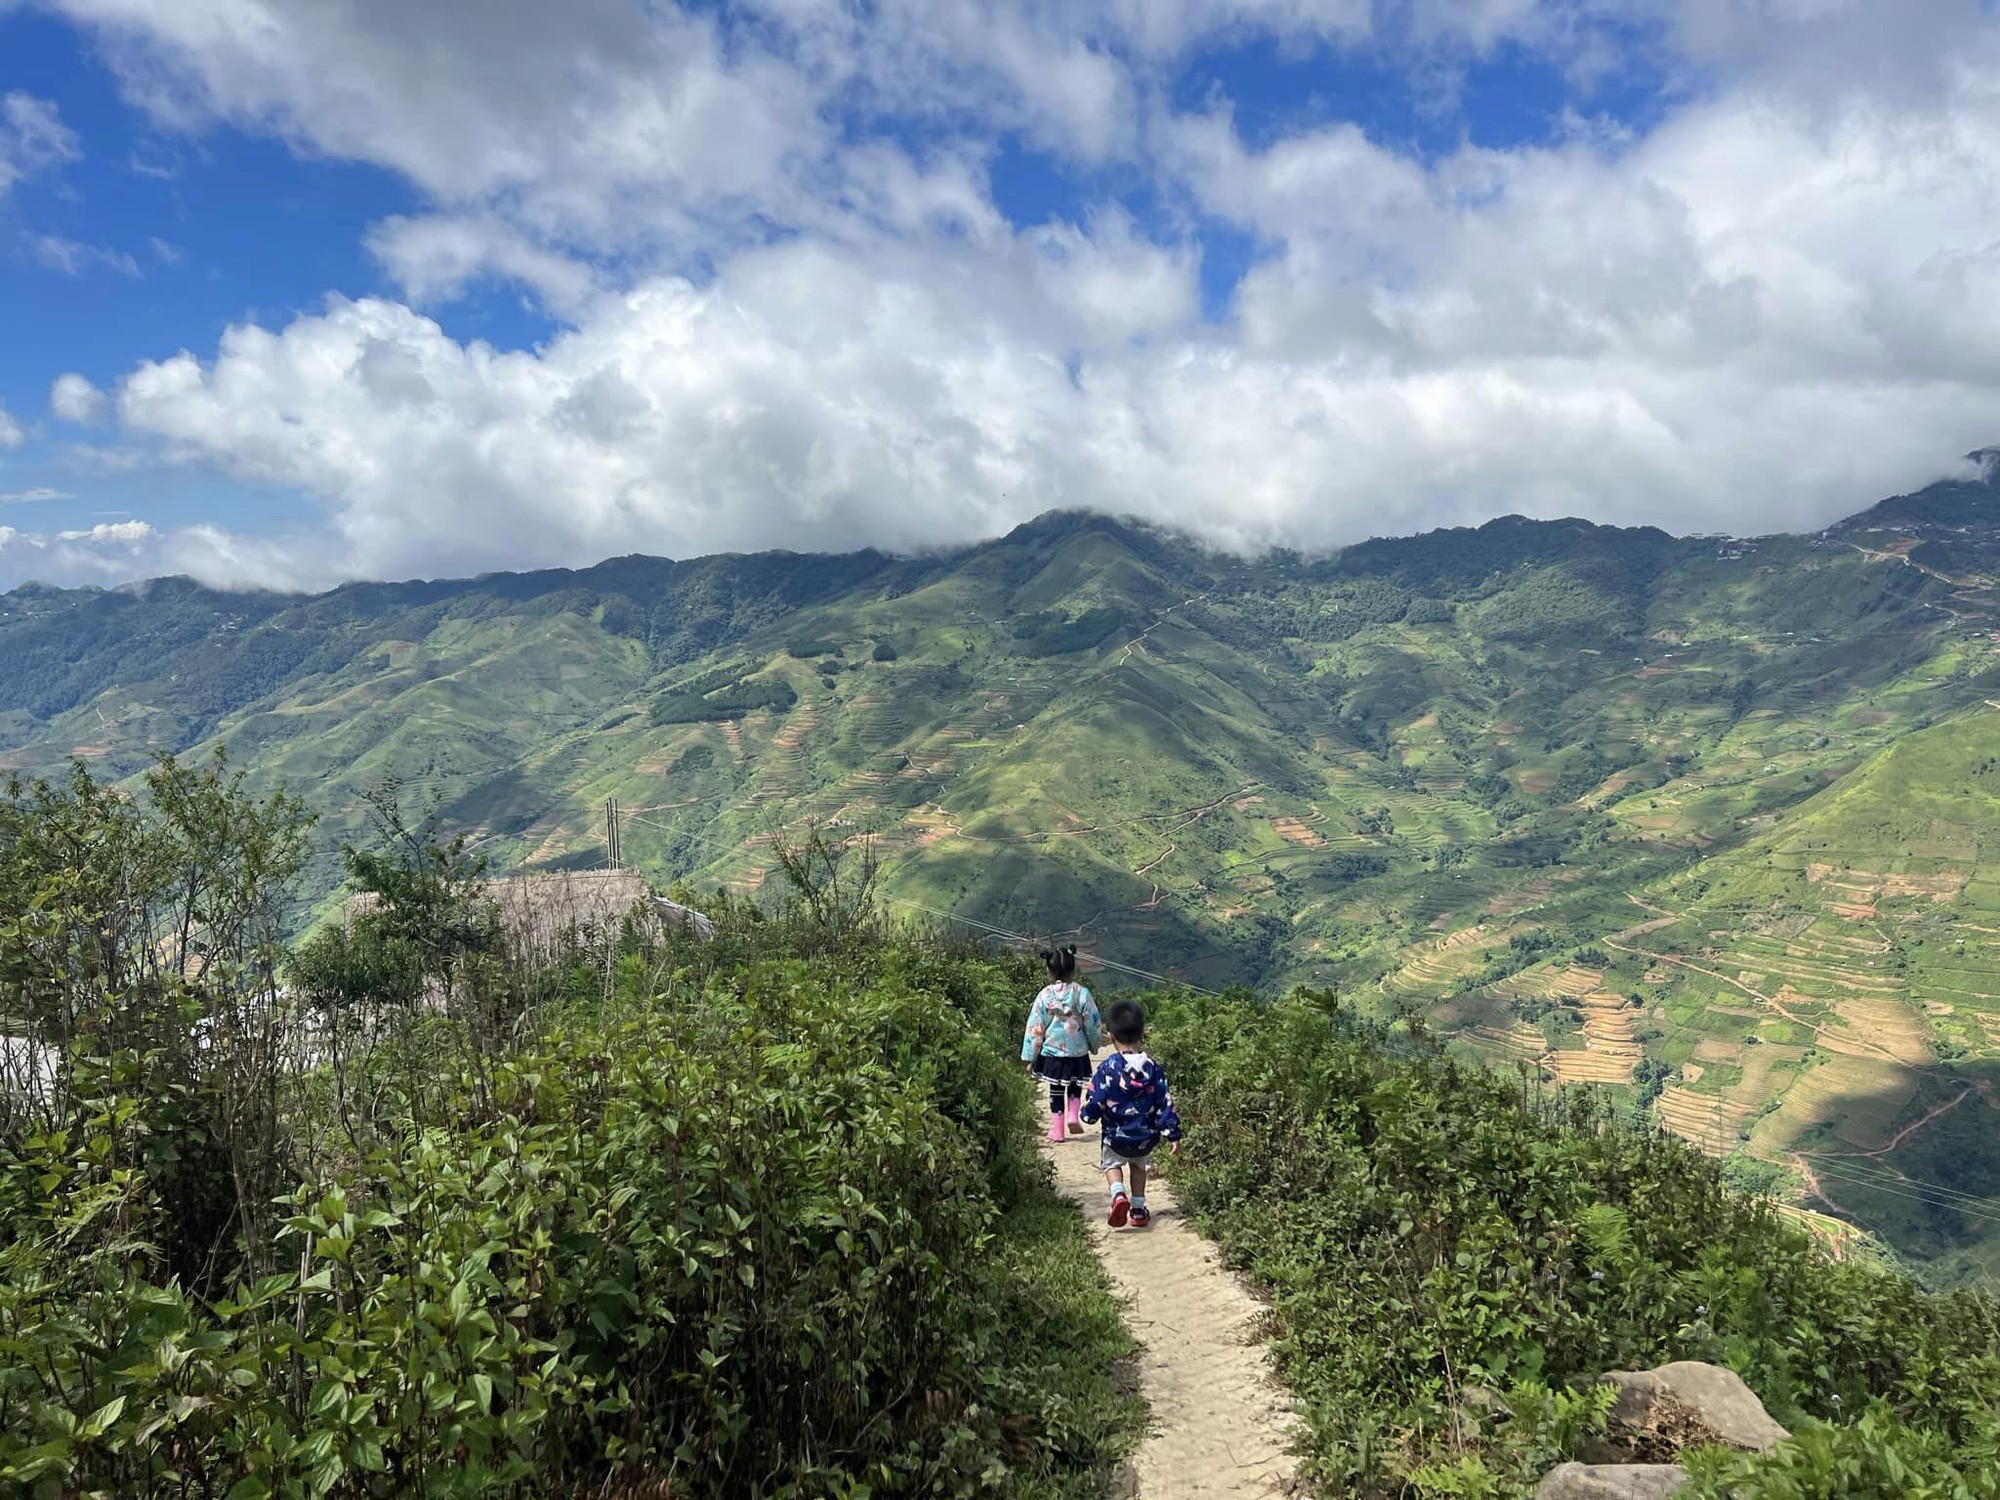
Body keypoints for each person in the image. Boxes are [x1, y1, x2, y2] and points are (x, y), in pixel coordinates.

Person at [1080, 998, 1182, 1228]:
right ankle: (1137, 1210)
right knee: (1138, 1167)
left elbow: (1096, 1099)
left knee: (1112, 1166)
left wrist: (1088, 1115)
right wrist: (1172, 1133)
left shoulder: (1108, 1068)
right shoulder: (1154, 1069)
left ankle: (1118, 1195)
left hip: (1116, 1137)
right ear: (1143, 1033)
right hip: (1144, 1138)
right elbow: (1164, 1102)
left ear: (1111, 1036)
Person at [1021, 945, 1102, 1143]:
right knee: (1075, 1083)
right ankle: (1073, 1115)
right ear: (1073, 969)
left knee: (1056, 1089)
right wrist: (1094, 1045)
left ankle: (1058, 1130)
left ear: (1049, 970)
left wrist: (1031, 1056)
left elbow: (1035, 1027)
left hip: (1053, 1052)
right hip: (1077, 1050)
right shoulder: (1081, 993)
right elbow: (1092, 1021)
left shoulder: (1045, 995)